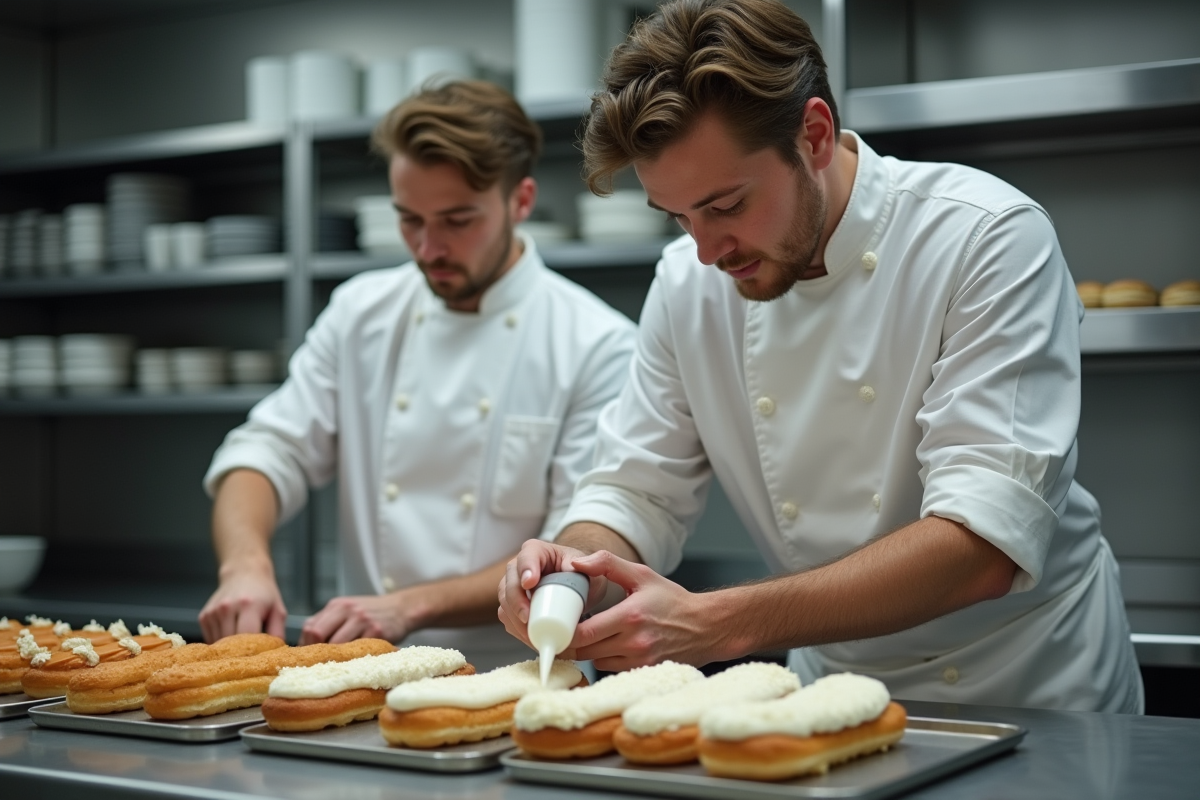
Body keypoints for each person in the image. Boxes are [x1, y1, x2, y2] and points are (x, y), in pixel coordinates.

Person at [498, 0, 1143, 712]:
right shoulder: (686, 283)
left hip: (1033, 684)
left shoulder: (985, 238)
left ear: (813, 134)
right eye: (678, 217)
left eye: (725, 205)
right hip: (834, 692)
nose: (706, 250)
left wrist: (717, 624)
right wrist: (572, 567)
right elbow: (635, 489)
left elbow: (981, 547)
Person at [200, 80, 636, 670]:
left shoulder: (595, 342)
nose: (429, 248)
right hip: (367, 668)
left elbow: (567, 555)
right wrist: (245, 566)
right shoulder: (362, 313)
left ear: (521, 200)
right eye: (409, 220)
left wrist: (408, 607)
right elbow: (267, 450)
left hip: (520, 670)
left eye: (458, 220)